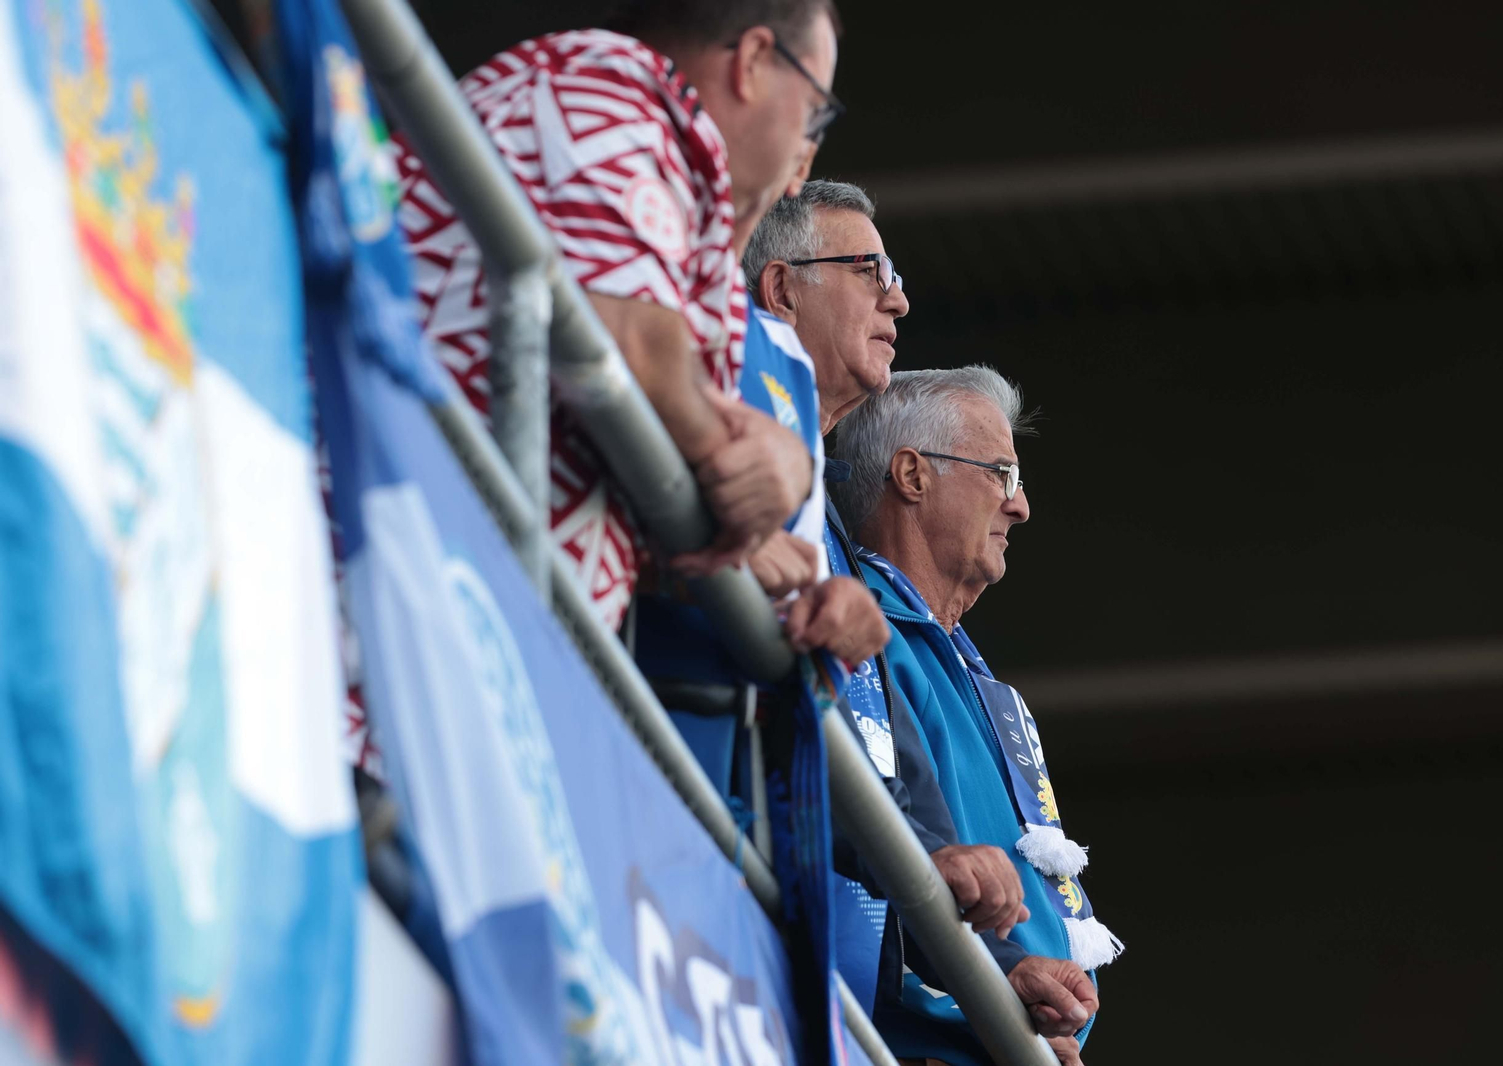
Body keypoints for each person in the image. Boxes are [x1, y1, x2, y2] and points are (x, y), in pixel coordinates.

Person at [394, 0, 843, 630]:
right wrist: (759, 456)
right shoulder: (604, 87)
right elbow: (629, 347)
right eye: (816, 106)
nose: (809, 141)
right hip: (389, 556)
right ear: (754, 62)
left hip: (458, 602)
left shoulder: (681, 199)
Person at [742, 185, 1034, 1022]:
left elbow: (894, 780)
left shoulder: (829, 540)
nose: (898, 296)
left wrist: (1002, 974)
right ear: (782, 289)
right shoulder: (727, 418)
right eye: (870, 269)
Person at [831, 367, 1123, 1066]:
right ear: (912, 475)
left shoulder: (966, 667)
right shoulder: (858, 626)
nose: (1020, 507)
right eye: (1002, 474)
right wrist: (994, 990)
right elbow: (873, 844)